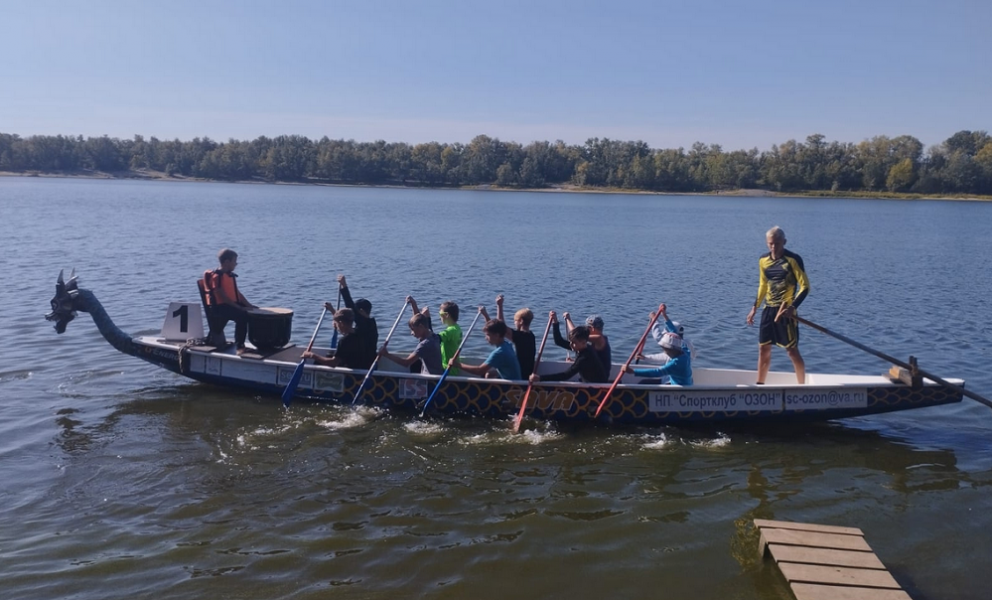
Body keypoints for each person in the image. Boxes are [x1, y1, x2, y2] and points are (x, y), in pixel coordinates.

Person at [746, 226, 810, 384]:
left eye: (777, 243)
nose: (774, 247)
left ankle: (802, 387)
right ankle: (760, 385)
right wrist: (755, 307)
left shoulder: (793, 259)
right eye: (770, 243)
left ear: (784, 242)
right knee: (763, 348)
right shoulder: (763, 260)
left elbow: (805, 286)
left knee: (791, 351)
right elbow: (763, 285)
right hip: (768, 310)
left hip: (786, 311)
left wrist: (793, 307)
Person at [203, 248, 256, 354]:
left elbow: (238, 294)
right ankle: (239, 347)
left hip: (229, 305)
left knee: (253, 313)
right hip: (219, 307)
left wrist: (250, 306)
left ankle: (257, 342)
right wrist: (240, 308)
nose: (236, 264)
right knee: (242, 316)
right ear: (227, 262)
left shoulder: (229, 275)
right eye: (234, 261)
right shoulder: (216, 277)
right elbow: (223, 298)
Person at [529, 321, 609, 384]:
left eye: (573, 342)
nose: (571, 344)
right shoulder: (581, 347)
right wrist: (555, 323)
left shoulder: (585, 357)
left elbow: (566, 375)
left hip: (597, 389)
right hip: (590, 383)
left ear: (584, 342)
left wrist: (540, 378)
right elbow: (559, 341)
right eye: (570, 342)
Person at [479, 294, 536, 378]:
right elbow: (495, 329)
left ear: (521, 321)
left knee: (486, 374)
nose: (514, 323)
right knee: (491, 372)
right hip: (526, 372)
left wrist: (499, 306)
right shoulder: (531, 335)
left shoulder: (520, 337)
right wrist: (486, 316)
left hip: (520, 376)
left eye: (515, 321)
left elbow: (500, 327)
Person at [452, 314, 522, 380]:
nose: (486, 338)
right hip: (514, 382)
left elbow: (479, 371)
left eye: (488, 335)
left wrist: (457, 364)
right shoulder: (507, 345)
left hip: (511, 388)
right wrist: (493, 372)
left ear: (497, 335)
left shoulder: (500, 352)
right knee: (488, 374)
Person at [378, 312, 444, 375]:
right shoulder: (433, 336)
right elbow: (419, 319)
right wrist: (413, 304)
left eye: (413, 329)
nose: (411, 333)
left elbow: (406, 363)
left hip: (430, 381)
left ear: (421, 327)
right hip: (438, 374)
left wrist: (386, 354)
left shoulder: (424, 344)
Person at [335, 275, 378, 369]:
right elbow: (347, 324)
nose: (353, 316)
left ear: (361, 311)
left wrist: (344, 286)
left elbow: (350, 307)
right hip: (368, 365)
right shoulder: (371, 326)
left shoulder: (365, 327)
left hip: (363, 369)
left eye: (355, 312)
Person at [626, 331, 693, 386]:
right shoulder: (686, 352)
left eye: (665, 350)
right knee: (644, 382)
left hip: (678, 391)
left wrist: (633, 371)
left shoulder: (675, 364)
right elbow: (677, 336)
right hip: (687, 385)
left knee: (642, 383)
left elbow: (656, 372)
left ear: (671, 350)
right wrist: (664, 317)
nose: (664, 352)